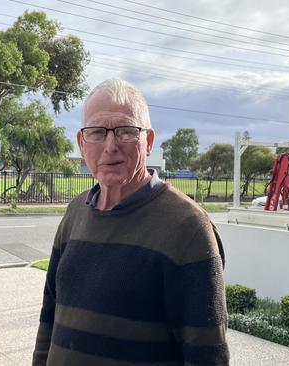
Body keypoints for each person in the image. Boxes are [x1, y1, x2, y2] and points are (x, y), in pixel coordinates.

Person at [32, 79, 229, 366]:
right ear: (82, 143)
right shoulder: (75, 212)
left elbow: (207, 356)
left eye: (125, 131)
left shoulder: (188, 228)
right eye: (97, 132)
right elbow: (49, 316)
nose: (111, 145)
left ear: (148, 141)